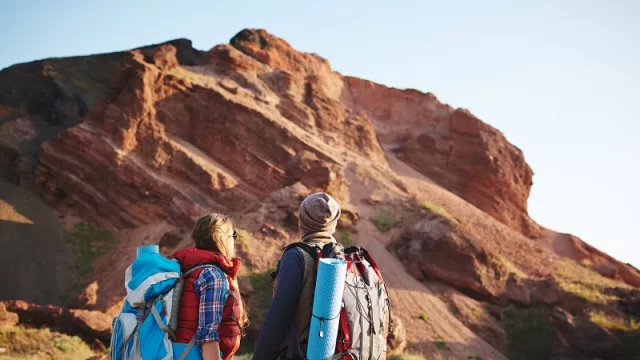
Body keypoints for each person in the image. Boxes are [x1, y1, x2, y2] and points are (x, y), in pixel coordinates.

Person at [253, 192, 342, 359]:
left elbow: (277, 320)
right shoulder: (345, 259)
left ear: (302, 222)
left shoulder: (297, 256)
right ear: (334, 224)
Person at [172, 213, 248, 360]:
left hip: (177, 352)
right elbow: (208, 334)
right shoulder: (213, 276)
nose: (234, 240)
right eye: (233, 235)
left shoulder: (185, 269)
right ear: (223, 239)